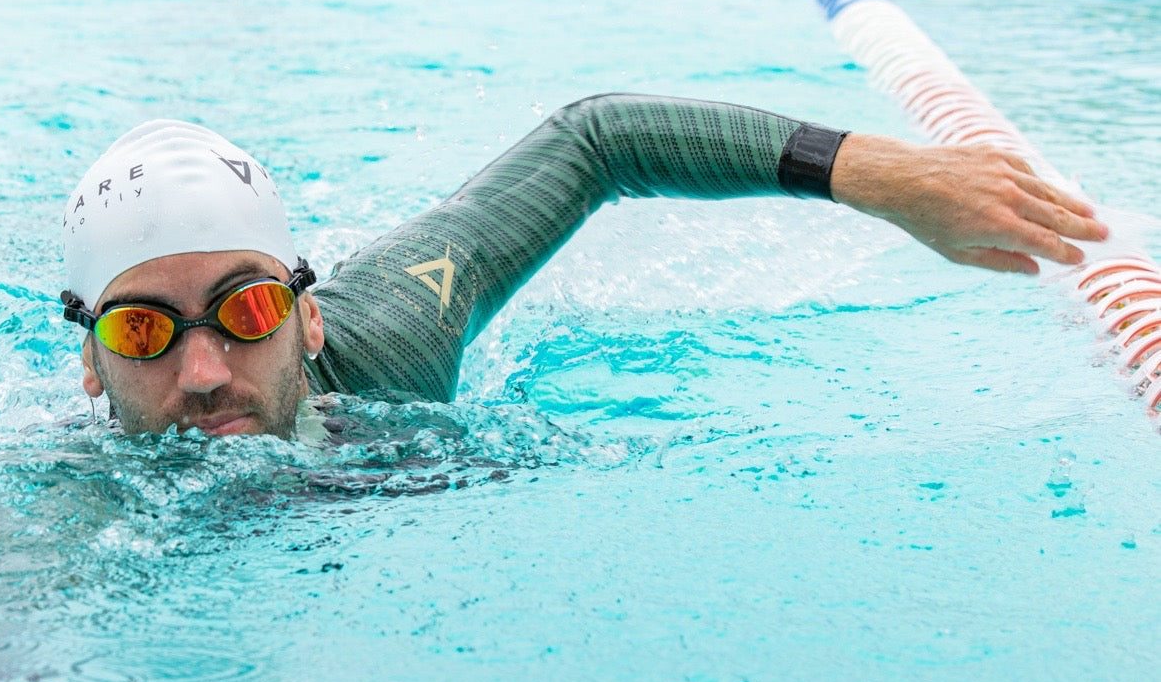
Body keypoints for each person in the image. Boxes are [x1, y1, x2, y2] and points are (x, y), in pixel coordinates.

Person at [59, 94, 1106, 438]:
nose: (204, 372)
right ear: (90, 366)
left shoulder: (394, 341)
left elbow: (592, 140)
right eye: (142, 330)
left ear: (310, 315)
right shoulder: (53, 498)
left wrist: (878, 173)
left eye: (245, 309)